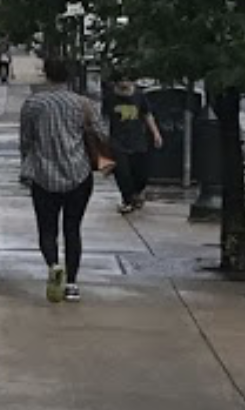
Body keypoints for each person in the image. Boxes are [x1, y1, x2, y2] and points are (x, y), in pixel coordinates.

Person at [19, 56, 104, 303]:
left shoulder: (33, 104)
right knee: (72, 228)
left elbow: (25, 140)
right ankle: (72, 283)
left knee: (47, 229)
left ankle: (54, 266)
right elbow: (99, 133)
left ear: (46, 73)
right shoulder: (83, 104)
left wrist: (27, 164)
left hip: (43, 174)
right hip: (78, 173)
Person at [103, 76, 165, 212]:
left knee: (141, 173)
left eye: (127, 81)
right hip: (117, 140)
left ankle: (136, 193)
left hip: (137, 139)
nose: (124, 84)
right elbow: (104, 118)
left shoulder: (139, 96)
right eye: (121, 81)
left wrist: (156, 133)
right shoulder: (109, 97)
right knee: (122, 172)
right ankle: (127, 199)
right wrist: (104, 140)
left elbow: (147, 115)